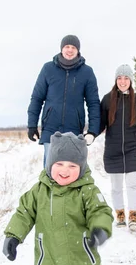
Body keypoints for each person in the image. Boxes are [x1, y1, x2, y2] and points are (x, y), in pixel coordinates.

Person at [2, 131, 113, 265]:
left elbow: (100, 211)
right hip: (49, 259)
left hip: (81, 257)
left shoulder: (87, 191)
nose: (65, 170)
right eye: (59, 164)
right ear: (50, 163)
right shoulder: (39, 191)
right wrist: (13, 236)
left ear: (81, 168)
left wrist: (99, 229)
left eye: (72, 166)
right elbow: (24, 213)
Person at [26, 35, 101, 167]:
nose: (70, 50)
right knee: (50, 172)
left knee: (71, 171)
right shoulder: (48, 69)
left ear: (78, 50)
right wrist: (32, 125)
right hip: (51, 129)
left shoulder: (87, 72)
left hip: (74, 131)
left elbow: (93, 103)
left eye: (73, 47)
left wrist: (92, 132)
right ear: (62, 49)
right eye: (67, 46)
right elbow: (37, 98)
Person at [98, 64, 136, 232]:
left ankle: (133, 217)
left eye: (126, 78)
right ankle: (120, 216)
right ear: (115, 80)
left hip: (132, 149)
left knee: (132, 184)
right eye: (119, 78)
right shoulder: (107, 100)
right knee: (116, 187)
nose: (122, 81)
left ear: (131, 80)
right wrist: (90, 134)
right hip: (113, 150)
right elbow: (100, 124)